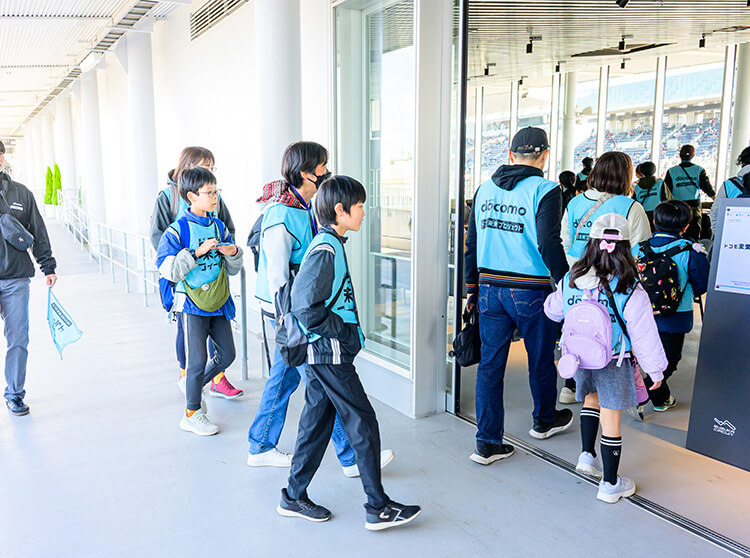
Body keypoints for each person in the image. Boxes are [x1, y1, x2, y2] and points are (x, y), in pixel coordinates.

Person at [279, 175, 420, 531]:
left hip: (324, 353)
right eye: (359, 206)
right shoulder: (326, 249)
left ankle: (293, 496)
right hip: (329, 354)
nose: (364, 212)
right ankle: (378, 507)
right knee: (363, 422)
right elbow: (305, 306)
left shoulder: (330, 243)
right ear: (340, 210)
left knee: (315, 424)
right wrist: (342, 332)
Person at [248, 141, 393, 475]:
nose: (327, 172)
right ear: (305, 173)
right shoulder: (282, 213)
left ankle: (262, 444)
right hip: (291, 313)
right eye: (322, 167)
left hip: (298, 311)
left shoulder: (303, 206)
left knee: (292, 379)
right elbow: (277, 274)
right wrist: (292, 320)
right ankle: (349, 457)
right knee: (321, 378)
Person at [464, 127, 572, 466]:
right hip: (531, 289)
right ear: (544, 156)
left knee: (490, 365)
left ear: (511, 155)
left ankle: (487, 443)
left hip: (489, 288)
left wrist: (471, 288)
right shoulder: (546, 189)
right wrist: (566, 283)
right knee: (539, 358)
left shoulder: (484, 189)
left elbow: (471, 242)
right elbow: (548, 242)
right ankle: (544, 420)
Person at [544, 213, 667, 503]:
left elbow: (553, 311)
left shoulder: (572, 278)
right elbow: (644, 335)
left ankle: (587, 455)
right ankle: (610, 484)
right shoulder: (629, 287)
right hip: (614, 360)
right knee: (611, 417)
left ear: (591, 243)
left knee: (590, 400)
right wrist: (656, 370)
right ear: (626, 247)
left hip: (579, 357)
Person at [156, 168, 244, 435]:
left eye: (216, 191)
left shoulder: (219, 226)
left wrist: (233, 252)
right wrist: (195, 253)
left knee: (227, 354)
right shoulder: (177, 230)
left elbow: (233, 268)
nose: (215, 197)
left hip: (218, 300)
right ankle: (192, 413)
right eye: (209, 192)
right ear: (191, 196)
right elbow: (167, 269)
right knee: (196, 360)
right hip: (192, 304)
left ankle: (194, 388)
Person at [560, 152, 650, 404]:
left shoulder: (575, 203)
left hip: (577, 280)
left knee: (577, 328)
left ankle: (572, 385)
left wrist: (575, 272)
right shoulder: (631, 207)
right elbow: (640, 249)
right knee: (611, 335)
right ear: (626, 175)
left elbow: (565, 242)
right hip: (614, 284)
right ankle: (608, 395)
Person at [633, 201, 709, 411]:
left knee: (646, 354)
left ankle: (661, 399)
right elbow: (702, 284)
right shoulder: (691, 251)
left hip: (641, 313)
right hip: (676, 315)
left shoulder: (638, 248)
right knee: (669, 360)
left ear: (654, 222)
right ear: (686, 226)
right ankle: (642, 392)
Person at [0, 169, 56, 415]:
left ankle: (14, 394)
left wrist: (47, 265)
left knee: (18, 339)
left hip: (16, 279)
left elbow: (38, 230)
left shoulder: (21, 193)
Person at [664, 144, 715, 241]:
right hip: (694, 206)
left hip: (677, 206)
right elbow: (707, 188)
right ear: (693, 155)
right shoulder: (699, 170)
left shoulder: (671, 171)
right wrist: (715, 199)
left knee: (677, 230)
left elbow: (667, 191)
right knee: (694, 231)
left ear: (680, 155)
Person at [711, 146, 750, 233]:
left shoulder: (728, 185)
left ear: (742, 163)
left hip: (734, 234)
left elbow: (715, 213)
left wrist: (720, 235)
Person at [633, 161, 670, 231]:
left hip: (644, 215)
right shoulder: (660, 183)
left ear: (641, 172)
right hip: (659, 214)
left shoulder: (637, 187)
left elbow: (635, 203)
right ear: (654, 171)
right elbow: (667, 199)